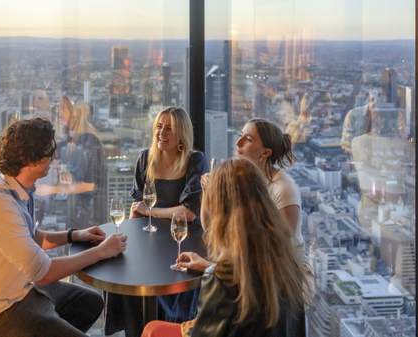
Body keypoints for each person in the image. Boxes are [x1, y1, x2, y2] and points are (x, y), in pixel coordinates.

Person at [0, 118, 128, 337]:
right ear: (32, 159)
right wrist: (101, 251)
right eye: (50, 152)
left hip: (19, 292)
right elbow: (43, 274)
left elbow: (32, 237)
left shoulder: (18, 189)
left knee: (89, 303)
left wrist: (74, 235)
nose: (54, 157)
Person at [142, 158, 306, 337]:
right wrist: (209, 266)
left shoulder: (221, 279)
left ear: (219, 213)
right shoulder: (287, 265)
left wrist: (205, 194)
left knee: (152, 330)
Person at [105, 107, 207, 337]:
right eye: (159, 126)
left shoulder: (195, 160)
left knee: (171, 293)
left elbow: (189, 213)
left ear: (182, 133)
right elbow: (137, 209)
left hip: (183, 243)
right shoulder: (145, 158)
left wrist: (150, 211)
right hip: (150, 241)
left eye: (169, 128)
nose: (162, 132)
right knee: (128, 276)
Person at [202, 118, 303, 257]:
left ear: (266, 153)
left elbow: (276, 251)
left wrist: (213, 268)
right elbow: (209, 226)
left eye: (248, 139)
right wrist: (208, 193)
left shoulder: (284, 189)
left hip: (282, 274)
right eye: (240, 135)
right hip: (245, 267)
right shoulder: (238, 178)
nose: (238, 143)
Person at [56, 98, 107, 229]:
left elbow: (91, 185)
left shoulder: (89, 141)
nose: (59, 112)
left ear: (74, 114)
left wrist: (52, 190)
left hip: (89, 216)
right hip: (76, 210)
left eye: (63, 109)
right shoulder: (72, 140)